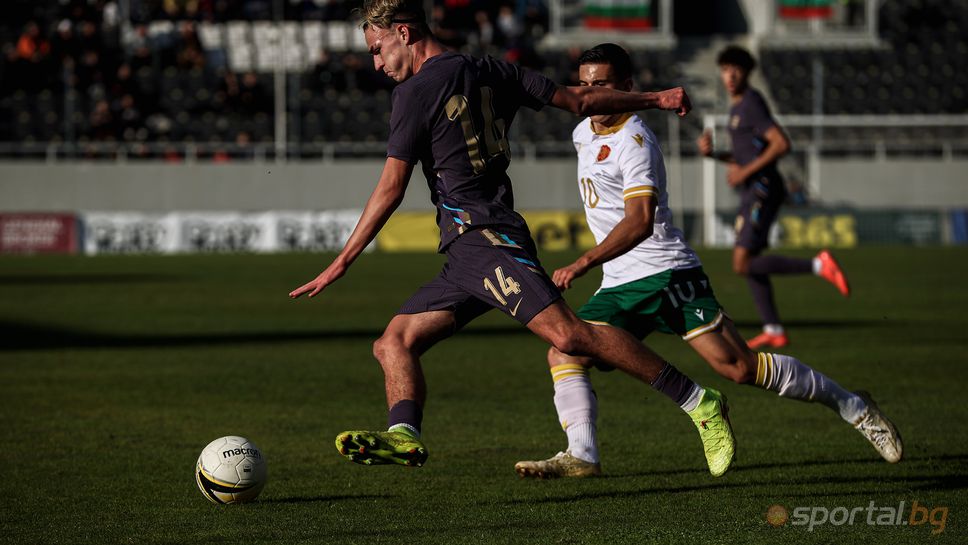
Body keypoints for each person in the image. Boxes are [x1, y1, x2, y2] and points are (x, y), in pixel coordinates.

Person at [289, 0, 736, 477]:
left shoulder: (415, 92)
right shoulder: (492, 68)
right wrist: (656, 98)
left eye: (378, 50)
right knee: (393, 342)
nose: (377, 63)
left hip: (485, 238)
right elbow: (581, 102)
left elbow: (391, 187)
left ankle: (697, 400)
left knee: (568, 335)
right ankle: (404, 434)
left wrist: (341, 261)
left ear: (404, 32)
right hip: (466, 250)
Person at [514, 44, 902, 479]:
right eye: (584, 85)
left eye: (601, 85)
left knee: (739, 367)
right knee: (565, 350)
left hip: (666, 271)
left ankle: (855, 407)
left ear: (626, 88)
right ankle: (582, 453)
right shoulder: (583, 130)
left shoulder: (635, 140)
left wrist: (583, 261)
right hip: (620, 279)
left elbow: (640, 222)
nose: (591, 95)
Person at [697, 45, 849, 350]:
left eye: (736, 69)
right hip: (753, 188)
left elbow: (780, 143)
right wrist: (716, 155)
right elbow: (745, 156)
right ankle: (773, 328)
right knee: (750, 261)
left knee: (741, 263)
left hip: (762, 189)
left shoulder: (752, 102)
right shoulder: (738, 108)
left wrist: (743, 173)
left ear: (747, 72)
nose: (730, 75)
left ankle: (819, 265)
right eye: (726, 69)